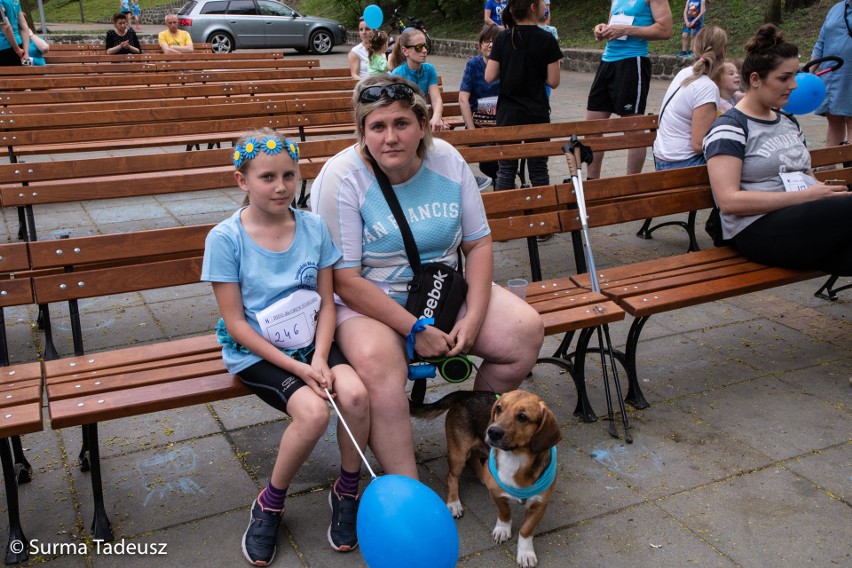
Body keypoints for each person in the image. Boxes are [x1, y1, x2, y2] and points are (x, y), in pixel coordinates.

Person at [310, 75, 544, 478]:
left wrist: (471, 317)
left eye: (401, 124)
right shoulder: (341, 177)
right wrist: (414, 328)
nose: (390, 138)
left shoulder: (447, 160)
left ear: (422, 124)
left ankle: (478, 437)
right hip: (372, 301)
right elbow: (344, 279)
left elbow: (479, 244)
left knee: (525, 331)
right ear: (362, 132)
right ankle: (407, 483)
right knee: (378, 367)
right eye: (377, 127)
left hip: (443, 289)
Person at [202, 129, 370, 565]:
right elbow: (236, 323)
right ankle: (270, 503)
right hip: (259, 352)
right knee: (313, 412)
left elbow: (328, 304)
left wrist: (318, 356)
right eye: (267, 177)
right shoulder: (225, 239)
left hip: (311, 342)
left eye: (289, 176)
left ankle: (347, 489)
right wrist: (298, 370)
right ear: (242, 181)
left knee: (354, 395)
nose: (280, 187)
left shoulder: (313, 228)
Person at [703, 24, 852, 276]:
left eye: (794, 75)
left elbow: (806, 176)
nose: (794, 85)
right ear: (755, 80)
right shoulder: (729, 128)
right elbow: (729, 202)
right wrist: (809, 197)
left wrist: (821, 194)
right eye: (784, 78)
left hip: (800, 221)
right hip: (757, 228)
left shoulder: (788, 121)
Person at [585, 0, 673, 180]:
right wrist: (602, 29)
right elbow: (613, 26)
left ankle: (630, 186)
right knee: (592, 128)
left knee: (632, 130)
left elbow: (665, 30)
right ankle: (591, 184)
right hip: (607, 62)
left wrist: (627, 30)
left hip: (632, 63)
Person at [485, 0, 563, 190]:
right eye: (543, 3)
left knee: (505, 170)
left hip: (508, 113)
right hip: (537, 113)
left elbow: (489, 76)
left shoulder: (503, 38)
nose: (546, 6)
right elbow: (554, 81)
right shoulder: (547, 39)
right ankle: (542, 215)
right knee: (538, 170)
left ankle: (508, 216)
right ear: (533, 7)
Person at [653, 25, 726, 171]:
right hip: (681, 163)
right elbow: (699, 145)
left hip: (662, 157)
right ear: (724, 52)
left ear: (695, 47)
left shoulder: (685, 73)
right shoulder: (707, 87)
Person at [811, 0, 852, 147]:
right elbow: (821, 42)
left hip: (850, 76)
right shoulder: (836, 9)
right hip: (831, 76)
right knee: (834, 121)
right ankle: (829, 167)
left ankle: (848, 168)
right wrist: (810, 70)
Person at [389, 27, 446, 131]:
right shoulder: (397, 75)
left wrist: (437, 117)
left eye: (425, 46)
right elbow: (396, 110)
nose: (424, 51)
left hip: (422, 117)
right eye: (419, 47)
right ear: (405, 51)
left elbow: (436, 99)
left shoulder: (429, 70)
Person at [0, 0, 30, 66]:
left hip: (3, 48)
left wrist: (17, 50)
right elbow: (24, 27)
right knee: (19, 74)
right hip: (19, 46)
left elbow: (5, 26)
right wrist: (26, 53)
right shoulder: (16, 0)